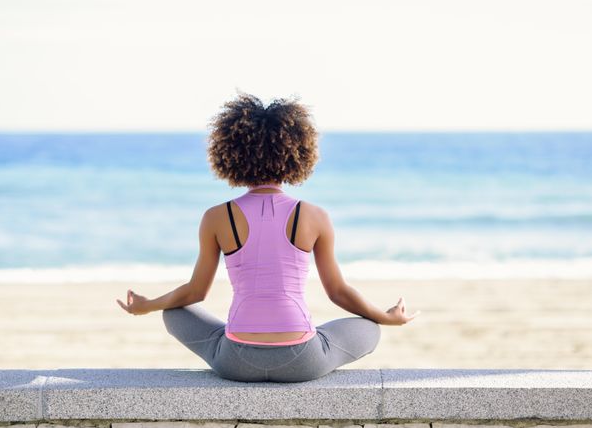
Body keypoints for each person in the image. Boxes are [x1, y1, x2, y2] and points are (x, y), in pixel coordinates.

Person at [116, 93, 420, 382]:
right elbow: (338, 293)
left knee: (174, 313)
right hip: (302, 360)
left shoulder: (216, 217)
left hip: (235, 361)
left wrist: (149, 305)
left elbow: (194, 293)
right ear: (298, 152)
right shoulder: (314, 216)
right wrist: (386, 317)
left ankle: (231, 336)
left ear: (230, 153)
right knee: (370, 328)